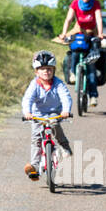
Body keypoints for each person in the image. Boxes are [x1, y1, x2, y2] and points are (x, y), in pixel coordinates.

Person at [21, 50, 73, 180]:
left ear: (54, 70)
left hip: (54, 112)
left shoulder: (58, 84)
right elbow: (28, 99)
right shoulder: (34, 85)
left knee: (55, 124)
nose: (46, 72)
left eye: (49, 69)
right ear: (36, 71)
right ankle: (34, 167)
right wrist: (27, 112)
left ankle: (64, 146)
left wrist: (66, 110)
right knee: (36, 139)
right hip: (37, 115)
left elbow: (66, 97)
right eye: (42, 69)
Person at [55, 0, 106, 106]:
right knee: (75, 51)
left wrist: (100, 33)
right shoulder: (75, 3)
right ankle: (72, 72)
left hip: (92, 33)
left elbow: (98, 19)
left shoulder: (96, 4)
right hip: (79, 31)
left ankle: (93, 97)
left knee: (91, 67)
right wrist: (63, 33)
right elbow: (68, 19)